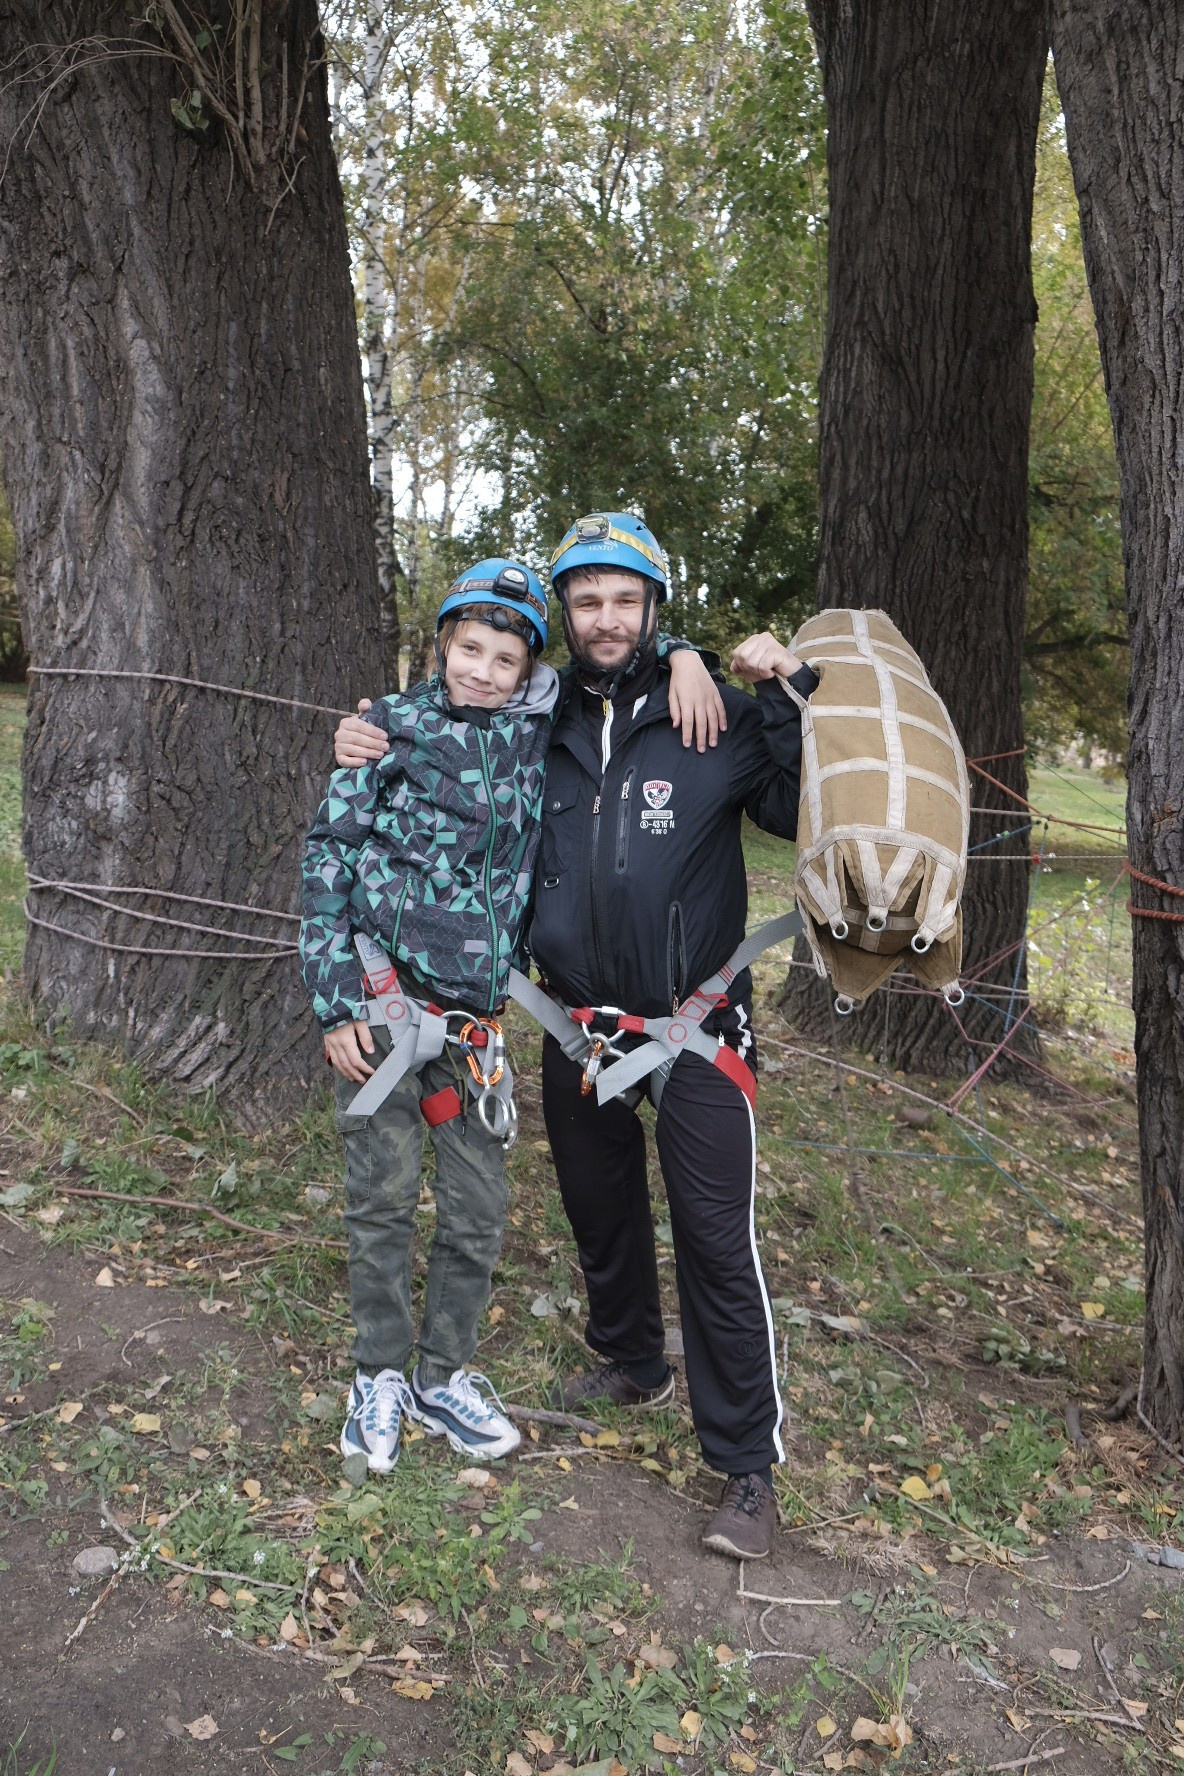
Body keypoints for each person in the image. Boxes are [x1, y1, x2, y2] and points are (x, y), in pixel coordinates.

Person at [335, 513, 815, 1558]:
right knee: (598, 1210)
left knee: (711, 1237)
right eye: (586, 600)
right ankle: (630, 1360)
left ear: (653, 607)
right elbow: (441, 740)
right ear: (565, 613)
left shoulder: (712, 718)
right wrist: (366, 729)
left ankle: (745, 1469)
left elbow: (792, 809)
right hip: (573, 1021)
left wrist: (777, 690)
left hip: (694, 1025)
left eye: (625, 600)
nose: (605, 619)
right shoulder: (530, 727)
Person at [306, 557, 723, 1477]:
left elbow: (623, 671)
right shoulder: (387, 731)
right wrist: (337, 1000)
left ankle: (442, 1373)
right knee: (379, 1201)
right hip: (380, 1019)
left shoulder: (541, 737)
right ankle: (377, 1375)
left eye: (504, 657)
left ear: (528, 667)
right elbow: (327, 860)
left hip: (473, 1033)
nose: (483, 671)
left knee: (476, 1210)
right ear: (442, 646)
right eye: (468, 650)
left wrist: (688, 651)